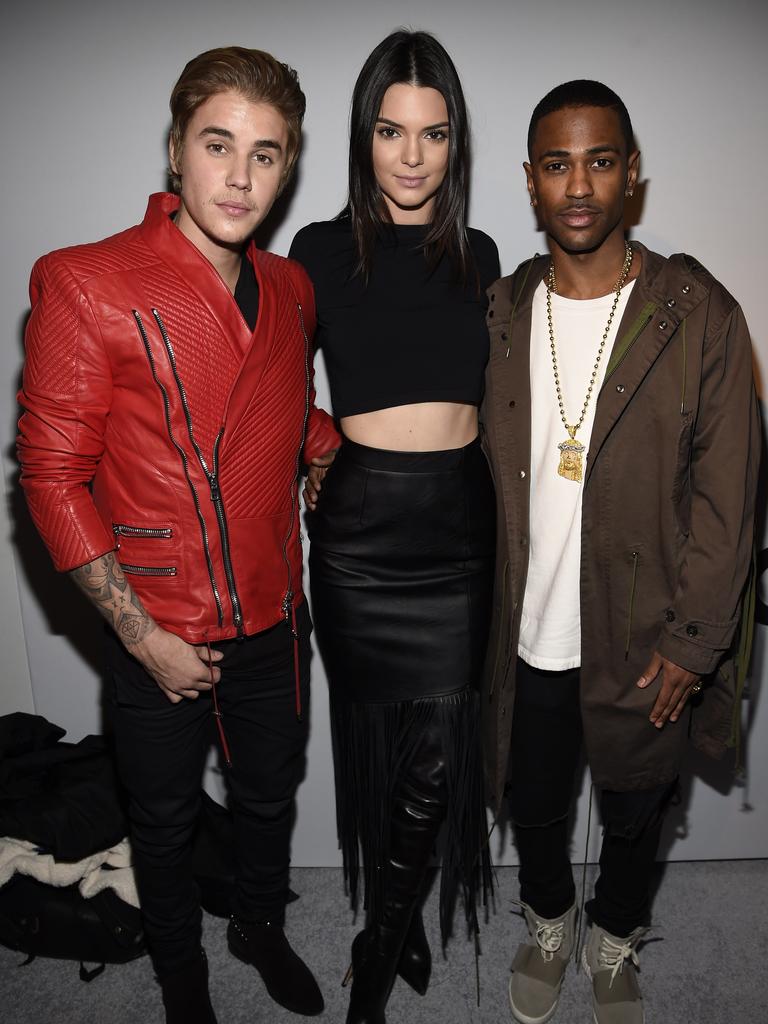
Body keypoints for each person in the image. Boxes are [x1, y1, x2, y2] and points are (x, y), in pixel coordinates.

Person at [17, 46, 340, 1024]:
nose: (241, 175)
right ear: (175, 150)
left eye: (268, 154)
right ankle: (183, 982)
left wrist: (328, 452)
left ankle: (258, 923)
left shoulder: (290, 289)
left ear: (288, 169)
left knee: (271, 793)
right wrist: (140, 634)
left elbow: (288, 410)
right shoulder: (86, 281)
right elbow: (49, 474)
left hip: (277, 615)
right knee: (158, 823)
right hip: (157, 621)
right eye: (219, 144)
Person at [481, 80, 760, 1024]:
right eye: (557, 164)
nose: (580, 186)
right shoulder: (501, 313)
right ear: (529, 181)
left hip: (647, 629)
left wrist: (693, 642)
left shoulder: (700, 314)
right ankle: (551, 915)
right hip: (526, 631)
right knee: (537, 804)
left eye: (601, 160)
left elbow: (733, 500)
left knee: (640, 808)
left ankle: (614, 930)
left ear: (631, 172)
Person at [289, 29, 500, 1024]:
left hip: (457, 530)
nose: (412, 155)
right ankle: (401, 910)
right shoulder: (319, 251)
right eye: (390, 130)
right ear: (362, 137)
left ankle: (377, 946)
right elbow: (273, 384)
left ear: (456, 144)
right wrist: (316, 448)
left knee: (441, 757)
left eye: (434, 133)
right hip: (361, 532)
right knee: (377, 745)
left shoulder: (482, 255)